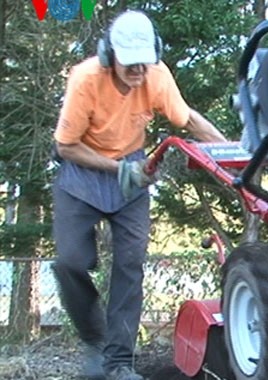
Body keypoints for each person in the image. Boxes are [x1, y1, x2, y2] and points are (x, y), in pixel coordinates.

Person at [51, 9, 227, 380]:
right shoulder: (85, 79)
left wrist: (230, 151)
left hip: (132, 171)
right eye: (129, 64)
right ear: (108, 55)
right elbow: (66, 146)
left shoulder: (156, 77)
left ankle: (118, 363)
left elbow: (189, 120)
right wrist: (119, 170)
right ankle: (95, 340)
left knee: (130, 264)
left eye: (144, 63)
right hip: (83, 166)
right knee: (70, 261)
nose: (138, 72)